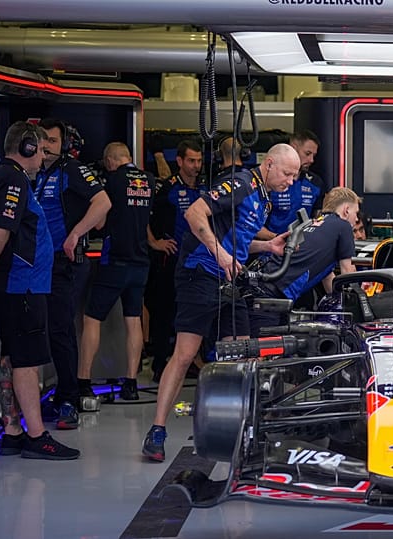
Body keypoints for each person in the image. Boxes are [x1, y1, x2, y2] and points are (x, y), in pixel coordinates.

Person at [141, 141, 298, 462]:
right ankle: (156, 431)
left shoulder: (265, 198)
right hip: (199, 274)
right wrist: (219, 252)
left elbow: (238, 241)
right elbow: (193, 212)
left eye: (296, 176)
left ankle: (236, 429)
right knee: (184, 355)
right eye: (287, 173)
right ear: (269, 164)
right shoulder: (241, 183)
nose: (291, 181)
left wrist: (268, 248)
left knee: (242, 352)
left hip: (229, 281)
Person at [0, 121, 79, 459]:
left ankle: (12, 430)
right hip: (21, 284)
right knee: (27, 361)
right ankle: (37, 435)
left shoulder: (0, 176)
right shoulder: (13, 179)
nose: (43, 157)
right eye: (40, 149)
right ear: (26, 147)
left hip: (14, 284)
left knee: (11, 355)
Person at [35, 118, 111, 427]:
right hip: (35, 264)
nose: (47, 147)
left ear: (64, 143)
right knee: (42, 332)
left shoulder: (71, 170)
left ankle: (68, 398)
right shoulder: (35, 172)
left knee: (61, 330)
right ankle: (56, 395)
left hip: (62, 263)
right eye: (42, 142)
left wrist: (76, 234)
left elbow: (104, 202)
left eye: (52, 141)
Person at [78, 143, 155, 401]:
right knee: (133, 322)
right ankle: (131, 383)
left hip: (115, 262)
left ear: (110, 161)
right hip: (141, 262)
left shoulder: (111, 181)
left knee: (92, 319)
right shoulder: (149, 181)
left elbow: (99, 221)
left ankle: (84, 382)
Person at [245, 187, 359, 335]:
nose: (356, 219)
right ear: (346, 210)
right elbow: (348, 274)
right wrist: (360, 306)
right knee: (262, 351)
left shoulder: (311, 223)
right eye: (356, 212)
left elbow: (327, 276)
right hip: (271, 295)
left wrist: (335, 299)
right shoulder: (343, 226)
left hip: (263, 287)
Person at [146, 139, 205, 382]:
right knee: (164, 312)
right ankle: (160, 364)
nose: (196, 166)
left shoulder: (205, 187)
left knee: (193, 313)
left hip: (199, 261)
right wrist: (154, 242)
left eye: (199, 161)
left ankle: (192, 360)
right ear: (179, 161)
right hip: (171, 259)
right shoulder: (167, 187)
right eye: (191, 160)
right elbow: (144, 215)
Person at [257, 130, 330, 240]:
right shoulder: (270, 181)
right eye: (307, 153)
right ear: (293, 148)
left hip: (302, 249)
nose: (311, 160)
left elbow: (319, 218)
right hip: (269, 248)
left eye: (314, 155)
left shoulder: (315, 183)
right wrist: (279, 239)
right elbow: (251, 225)